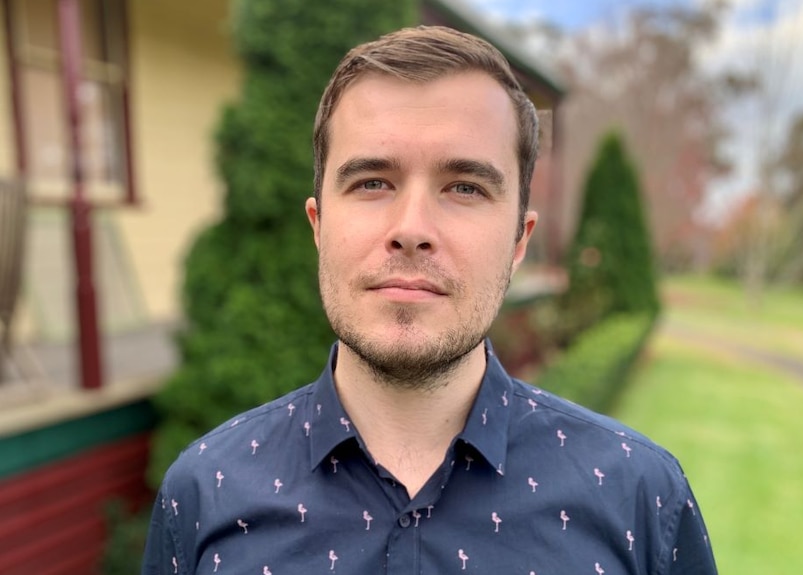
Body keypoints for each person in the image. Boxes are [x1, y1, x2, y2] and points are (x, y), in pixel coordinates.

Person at [142, 26, 718, 574]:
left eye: (464, 187)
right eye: (372, 182)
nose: (411, 227)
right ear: (318, 226)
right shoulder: (202, 494)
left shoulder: (642, 500)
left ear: (520, 240)